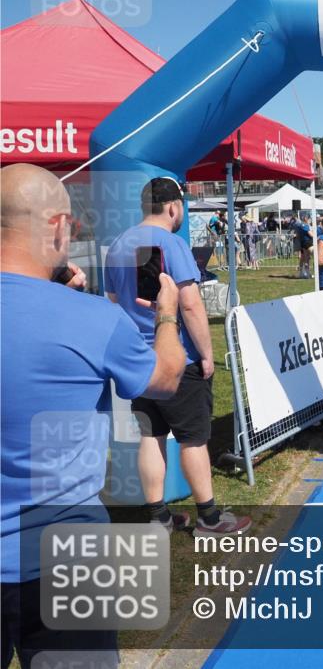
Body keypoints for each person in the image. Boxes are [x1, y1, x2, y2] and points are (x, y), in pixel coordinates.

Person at [1, 164, 186, 667]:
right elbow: (166, 378)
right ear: (58, 226)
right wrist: (166, 312)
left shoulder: (83, 312)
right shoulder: (95, 320)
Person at [105, 177, 251, 536]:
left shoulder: (120, 244)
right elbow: (190, 303)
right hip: (176, 355)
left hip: (137, 358)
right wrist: (206, 353)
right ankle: (209, 518)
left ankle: (159, 517)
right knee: (193, 438)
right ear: (173, 207)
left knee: (151, 436)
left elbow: (111, 301)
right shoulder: (171, 242)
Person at [294, 214, 314, 279]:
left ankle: (304, 273)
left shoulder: (299, 225)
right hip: (307, 243)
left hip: (303, 243)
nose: (310, 220)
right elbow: (311, 234)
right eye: (309, 219)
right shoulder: (305, 225)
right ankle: (306, 273)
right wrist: (317, 236)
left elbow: (297, 235)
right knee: (308, 258)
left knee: (305, 259)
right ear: (306, 218)